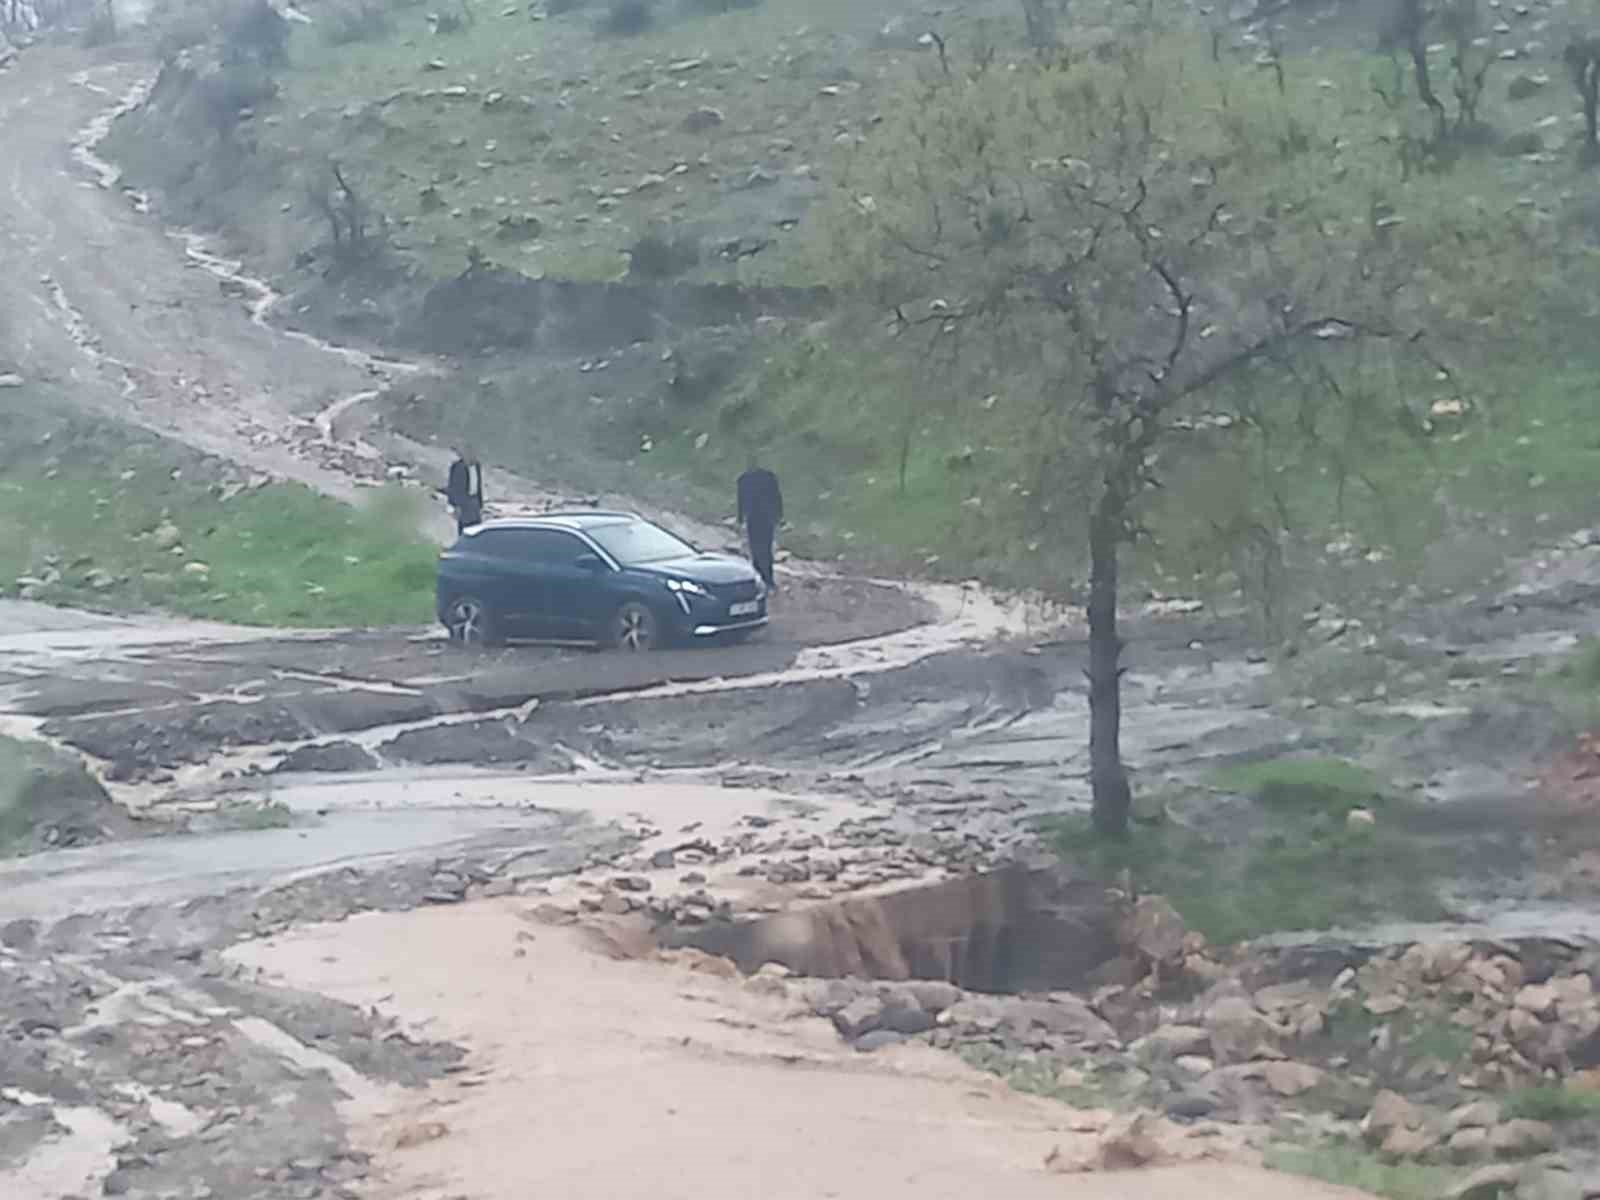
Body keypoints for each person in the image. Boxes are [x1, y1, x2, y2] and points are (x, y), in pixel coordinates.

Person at [736, 457, 783, 589]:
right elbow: (777, 497)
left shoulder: (744, 479)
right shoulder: (769, 478)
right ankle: (767, 577)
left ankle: (758, 577)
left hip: (754, 517)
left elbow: (741, 500)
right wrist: (779, 516)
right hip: (766, 518)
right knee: (766, 548)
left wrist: (740, 517)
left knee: (756, 548)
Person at [445, 447, 484, 534]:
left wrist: (481, 504)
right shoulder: (457, 467)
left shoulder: (477, 466)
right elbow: (453, 487)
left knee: (477, 528)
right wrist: (453, 505)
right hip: (463, 503)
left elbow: (479, 486)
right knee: (464, 529)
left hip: (474, 501)